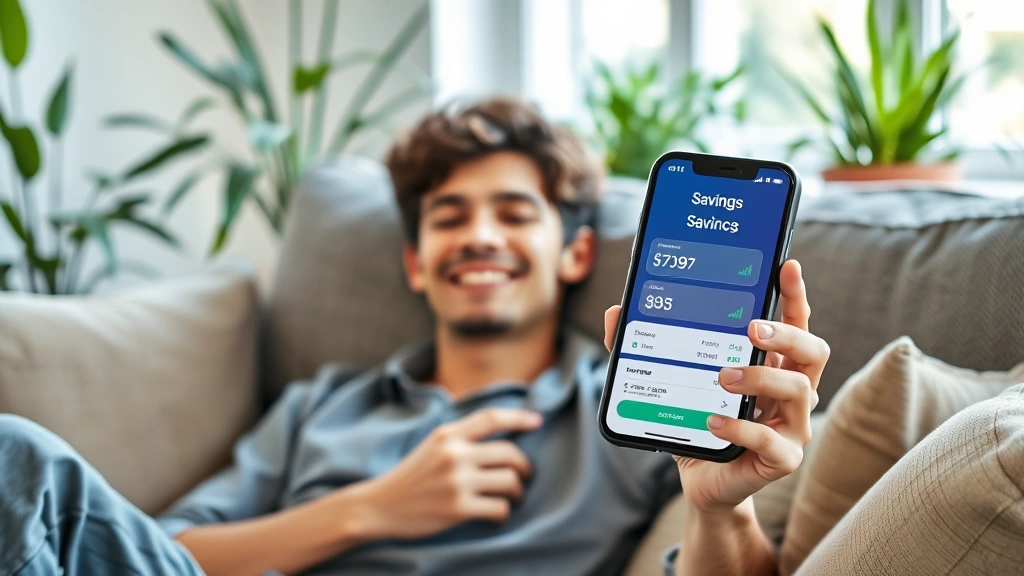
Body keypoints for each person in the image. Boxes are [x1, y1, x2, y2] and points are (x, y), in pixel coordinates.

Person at [0, 97, 829, 576]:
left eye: (513, 213)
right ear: (414, 260)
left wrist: (721, 506)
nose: (479, 237)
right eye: (449, 217)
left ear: (576, 250)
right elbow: (161, 552)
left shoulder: (623, 410)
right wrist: (373, 508)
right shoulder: (321, 404)